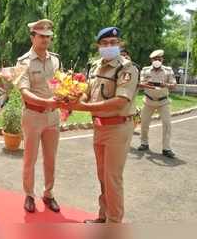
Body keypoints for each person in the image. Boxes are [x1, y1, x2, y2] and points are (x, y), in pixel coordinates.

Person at [70, 27, 139, 223]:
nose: (109, 46)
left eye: (113, 43)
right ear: (98, 46)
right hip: (99, 127)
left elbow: (121, 101)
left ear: (120, 45)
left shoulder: (127, 68)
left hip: (118, 127)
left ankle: (114, 224)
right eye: (105, 43)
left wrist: (84, 107)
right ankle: (103, 216)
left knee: (112, 178)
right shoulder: (95, 67)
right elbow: (88, 91)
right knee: (102, 176)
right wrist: (77, 98)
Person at [16, 19, 63, 213]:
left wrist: (67, 97)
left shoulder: (55, 59)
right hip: (33, 116)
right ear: (32, 37)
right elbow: (24, 92)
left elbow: (60, 85)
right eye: (41, 36)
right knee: (30, 158)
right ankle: (29, 194)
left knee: (50, 158)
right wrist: (47, 103)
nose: (45, 40)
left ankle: (48, 193)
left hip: (53, 116)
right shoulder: (23, 62)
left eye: (48, 37)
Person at [137, 49, 177, 158]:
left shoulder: (168, 70)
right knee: (144, 124)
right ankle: (144, 143)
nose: (157, 61)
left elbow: (174, 85)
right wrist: (147, 83)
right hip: (148, 101)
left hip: (163, 101)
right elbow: (140, 84)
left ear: (162, 59)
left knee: (167, 124)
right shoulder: (145, 70)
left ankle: (166, 148)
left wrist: (166, 85)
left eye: (159, 59)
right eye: (155, 59)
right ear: (151, 60)